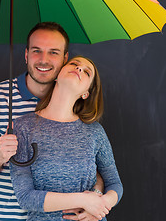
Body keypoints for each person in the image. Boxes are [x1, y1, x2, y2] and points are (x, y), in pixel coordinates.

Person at [0, 22, 104, 221]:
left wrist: (95, 199)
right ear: (26, 55)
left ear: (65, 59)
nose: (44, 60)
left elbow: (93, 168)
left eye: (53, 52)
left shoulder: (75, 106)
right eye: (36, 51)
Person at [10, 56, 123, 221]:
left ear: (86, 93)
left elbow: (115, 184)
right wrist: (84, 200)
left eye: (86, 72)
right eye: (74, 64)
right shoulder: (23, 127)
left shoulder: (95, 131)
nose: (79, 69)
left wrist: (101, 204)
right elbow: (26, 198)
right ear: (57, 75)